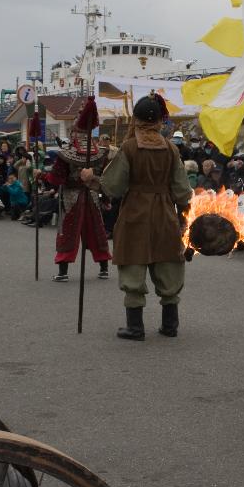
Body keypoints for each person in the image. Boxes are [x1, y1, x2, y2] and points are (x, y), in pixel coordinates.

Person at [83, 94, 191, 340]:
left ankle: (135, 327)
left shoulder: (130, 147)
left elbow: (113, 186)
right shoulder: (171, 149)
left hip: (135, 213)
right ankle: (170, 324)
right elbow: (183, 191)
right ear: (159, 122)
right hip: (165, 214)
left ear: (137, 120)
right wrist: (183, 215)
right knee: (167, 263)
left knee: (133, 262)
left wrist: (91, 180)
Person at [40, 138, 111, 282]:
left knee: (67, 232)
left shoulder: (66, 154)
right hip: (93, 195)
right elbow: (105, 178)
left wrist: (41, 175)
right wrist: (105, 197)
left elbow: (56, 179)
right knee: (96, 231)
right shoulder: (101, 153)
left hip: (72, 197)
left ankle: (63, 272)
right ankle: (104, 269)